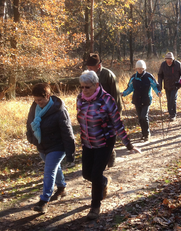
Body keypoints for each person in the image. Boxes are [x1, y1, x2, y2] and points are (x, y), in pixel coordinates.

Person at [77, 70, 141, 220]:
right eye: (81, 87)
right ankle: (104, 182)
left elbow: (118, 124)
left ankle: (95, 206)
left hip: (105, 142)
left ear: (96, 85)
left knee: (95, 173)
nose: (84, 90)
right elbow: (81, 121)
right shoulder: (80, 98)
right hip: (88, 142)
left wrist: (129, 146)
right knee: (86, 174)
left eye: (87, 87)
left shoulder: (107, 100)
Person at [26, 83, 76, 213]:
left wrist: (70, 152)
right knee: (54, 167)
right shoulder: (35, 107)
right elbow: (29, 123)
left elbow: (67, 131)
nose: (38, 102)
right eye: (36, 100)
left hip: (58, 146)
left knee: (49, 171)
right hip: (43, 145)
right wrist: (31, 138)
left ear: (48, 96)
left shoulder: (59, 110)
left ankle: (44, 201)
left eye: (40, 100)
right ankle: (61, 188)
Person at [86, 53, 122, 168]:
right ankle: (103, 157)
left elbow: (116, 96)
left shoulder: (108, 75)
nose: (89, 70)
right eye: (88, 68)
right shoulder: (88, 76)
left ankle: (110, 155)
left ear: (99, 65)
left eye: (91, 68)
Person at [122, 60, 162, 142]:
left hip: (146, 99)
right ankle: (143, 134)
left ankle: (147, 134)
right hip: (137, 100)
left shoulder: (148, 76)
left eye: (141, 68)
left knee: (144, 116)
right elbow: (130, 88)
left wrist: (158, 92)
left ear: (144, 68)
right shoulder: (134, 77)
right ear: (136, 68)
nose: (140, 70)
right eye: (138, 68)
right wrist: (124, 93)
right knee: (140, 118)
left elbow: (155, 85)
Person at [157, 52, 181, 121]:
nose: (168, 62)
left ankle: (173, 115)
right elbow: (160, 75)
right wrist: (159, 86)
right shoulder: (163, 65)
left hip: (175, 86)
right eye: (167, 61)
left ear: (173, 60)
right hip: (167, 85)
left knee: (173, 99)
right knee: (169, 100)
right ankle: (170, 113)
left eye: (170, 61)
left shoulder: (178, 64)